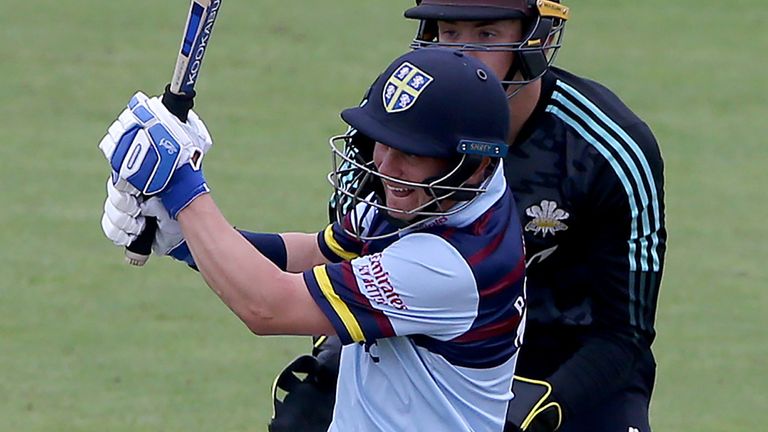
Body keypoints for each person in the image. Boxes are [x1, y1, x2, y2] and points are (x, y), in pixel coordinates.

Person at [269, 1, 667, 431]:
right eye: (449, 32)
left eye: (486, 35)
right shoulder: (399, 114)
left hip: (565, 366)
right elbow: (353, 255)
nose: (461, 53)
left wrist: (536, 409)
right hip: (424, 342)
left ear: (540, 38)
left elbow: (623, 335)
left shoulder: (608, 149)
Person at [99, 48, 528, 431]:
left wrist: (183, 188)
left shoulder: (453, 263)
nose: (386, 166)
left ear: (473, 164)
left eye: (411, 153)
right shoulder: (443, 196)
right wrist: (184, 239)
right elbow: (312, 255)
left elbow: (269, 306)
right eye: (383, 143)